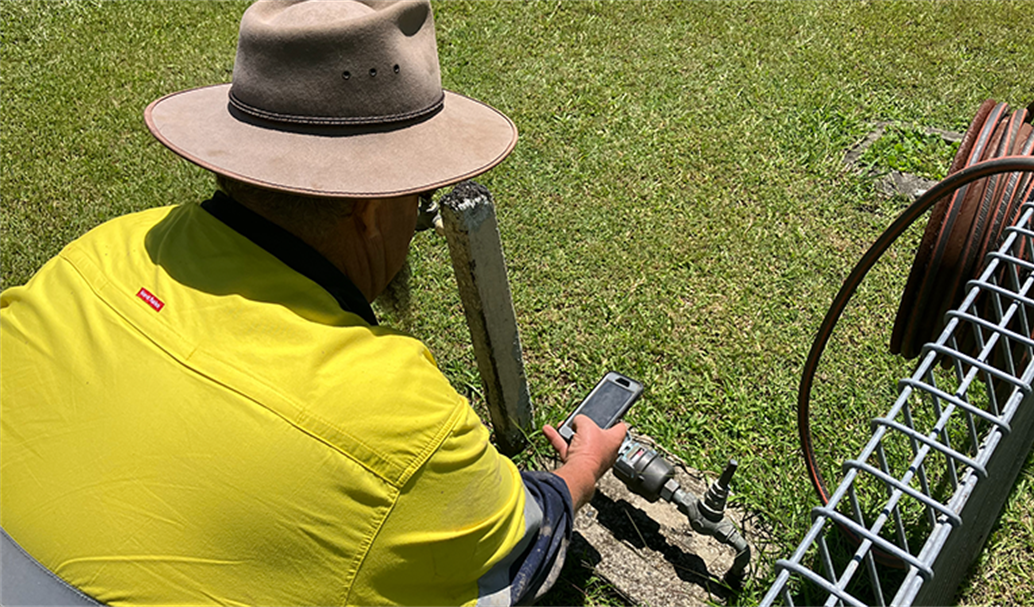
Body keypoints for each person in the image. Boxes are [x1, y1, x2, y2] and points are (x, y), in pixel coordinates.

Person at [0, 1, 627, 605]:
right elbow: (519, 555)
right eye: (421, 199)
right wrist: (578, 473)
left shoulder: (100, 250)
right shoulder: (402, 420)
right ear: (371, 207)